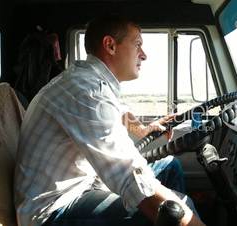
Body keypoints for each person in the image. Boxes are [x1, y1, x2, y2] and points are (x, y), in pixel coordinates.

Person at [14, 15, 205, 226]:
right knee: (181, 207)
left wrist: (143, 129)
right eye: (138, 45)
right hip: (52, 210)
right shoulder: (88, 92)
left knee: (171, 166)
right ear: (110, 45)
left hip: (84, 185)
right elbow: (128, 175)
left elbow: (119, 112)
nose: (144, 55)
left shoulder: (90, 81)